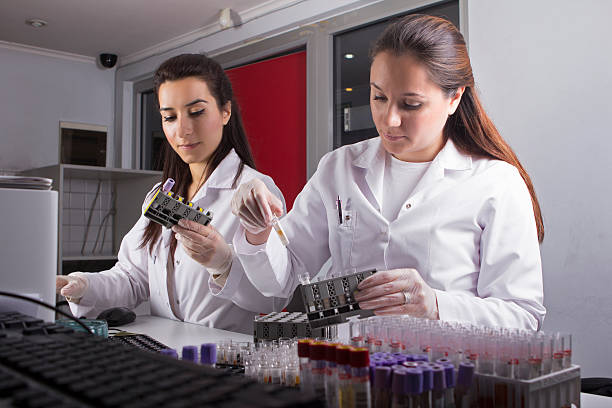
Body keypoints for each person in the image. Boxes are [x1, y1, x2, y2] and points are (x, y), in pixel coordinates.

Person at [230, 15, 545, 330]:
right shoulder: (339, 167)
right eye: (379, 97)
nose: (389, 119)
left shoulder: (495, 182)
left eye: (410, 104)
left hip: (442, 374)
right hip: (347, 369)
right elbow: (281, 280)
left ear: (454, 97)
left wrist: (435, 304)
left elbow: (523, 316)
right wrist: (259, 234)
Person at [56, 53, 285, 334]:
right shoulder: (161, 194)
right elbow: (133, 278)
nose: (183, 130)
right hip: (163, 350)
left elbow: (274, 297)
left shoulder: (254, 191)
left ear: (225, 111)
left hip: (222, 359)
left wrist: (224, 264)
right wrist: (82, 286)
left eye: (197, 112)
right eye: (169, 117)